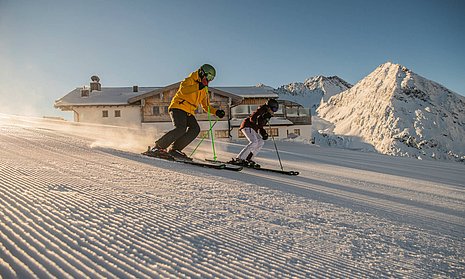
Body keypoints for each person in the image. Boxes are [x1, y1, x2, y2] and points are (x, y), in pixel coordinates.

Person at [151, 64, 225, 160]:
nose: (209, 80)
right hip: (178, 107)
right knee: (181, 128)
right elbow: (184, 91)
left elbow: (206, 106)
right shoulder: (189, 80)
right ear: (202, 73)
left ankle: (175, 149)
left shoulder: (204, 90)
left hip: (189, 111)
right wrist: (199, 86)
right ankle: (158, 147)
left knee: (195, 129)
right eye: (209, 76)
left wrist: (217, 112)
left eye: (212, 78)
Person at [230, 99, 279, 167]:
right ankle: (239, 158)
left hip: (253, 128)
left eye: (275, 110)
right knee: (254, 142)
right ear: (268, 107)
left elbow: (260, 125)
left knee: (260, 142)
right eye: (273, 109)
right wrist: (262, 116)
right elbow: (253, 118)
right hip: (247, 126)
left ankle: (249, 158)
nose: (274, 111)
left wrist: (263, 133)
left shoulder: (267, 115)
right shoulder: (261, 110)